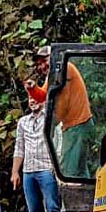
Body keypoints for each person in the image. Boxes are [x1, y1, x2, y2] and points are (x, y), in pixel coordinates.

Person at [12, 96, 71, 212]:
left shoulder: (51, 119)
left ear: (43, 100)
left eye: (35, 98)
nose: (32, 101)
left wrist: (57, 168)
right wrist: (15, 171)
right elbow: (19, 147)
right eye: (29, 98)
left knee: (53, 207)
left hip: (47, 168)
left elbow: (59, 143)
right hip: (29, 171)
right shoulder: (23, 122)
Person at [25, 45, 94, 179]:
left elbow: (62, 106)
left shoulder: (64, 68)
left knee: (69, 172)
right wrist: (32, 89)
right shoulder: (52, 76)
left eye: (45, 61)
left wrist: (52, 123)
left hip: (78, 125)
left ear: (54, 57)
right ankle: (89, 198)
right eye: (39, 64)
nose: (42, 66)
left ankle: (74, 200)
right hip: (73, 127)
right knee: (79, 171)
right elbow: (43, 96)